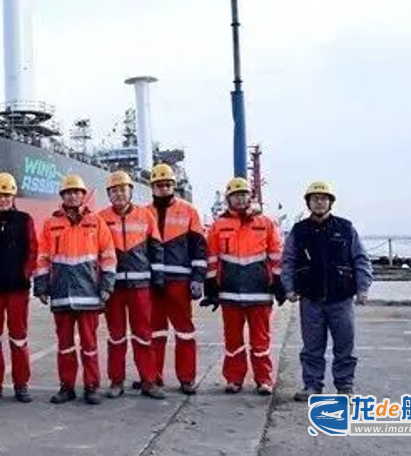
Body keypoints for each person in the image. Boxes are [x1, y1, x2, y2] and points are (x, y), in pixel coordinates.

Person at [283, 181, 373, 400]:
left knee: (344, 345)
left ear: (331, 202)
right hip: (310, 299)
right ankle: (312, 386)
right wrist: (289, 288)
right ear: (308, 203)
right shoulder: (299, 231)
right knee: (312, 347)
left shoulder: (345, 228)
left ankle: (345, 387)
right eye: (315, 199)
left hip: (341, 298)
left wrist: (363, 287)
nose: (319, 202)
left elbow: (360, 259)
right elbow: (288, 261)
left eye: (323, 198)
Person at [34, 174, 117, 405]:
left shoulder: (96, 222)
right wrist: (41, 285)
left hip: (89, 295)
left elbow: (108, 256)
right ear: (62, 196)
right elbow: (42, 257)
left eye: (76, 192)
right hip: (61, 294)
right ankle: (67, 387)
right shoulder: (51, 224)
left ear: (83, 195)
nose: (72, 196)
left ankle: (91, 386)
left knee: (89, 345)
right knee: (65, 346)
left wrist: (107, 286)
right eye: (68, 192)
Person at [205, 177, 284, 395]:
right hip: (229, 293)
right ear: (228, 199)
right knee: (233, 341)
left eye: (243, 194)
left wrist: (279, 283)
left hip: (260, 293)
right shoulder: (218, 226)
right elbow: (211, 257)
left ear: (250, 197)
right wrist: (210, 286)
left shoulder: (266, 223)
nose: (240, 199)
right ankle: (234, 379)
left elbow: (276, 255)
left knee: (261, 341)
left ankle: (263, 379)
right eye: (235, 195)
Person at [96, 170, 166, 399]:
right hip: (113, 287)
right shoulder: (100, 218)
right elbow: (96, 254)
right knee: (116, 336)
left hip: (140, 286)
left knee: (143, 335)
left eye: (122, 189)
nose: (119, 194)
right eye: (114, 190)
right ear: (108, 194)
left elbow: (156, 249)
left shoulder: (146, 216)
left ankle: (149, 381)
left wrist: (158, 278)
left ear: (131, 191)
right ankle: (116, 381)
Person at [144, 163, 207, 394]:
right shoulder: (143, 213)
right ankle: (153, 377)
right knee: (154, 332)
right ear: (152, 187)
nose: (164, 188)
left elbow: (199, 248)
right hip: (152, 282)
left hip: (180, 282)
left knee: (184, 331)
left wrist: (198, 278)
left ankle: (186, 378)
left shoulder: (189, 211)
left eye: (167, 184)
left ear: (174, 186)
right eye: (159, 185)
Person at [0, 172, 38, 404]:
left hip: (17, 290)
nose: (2, 199)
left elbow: (33, 250)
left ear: (13, 196)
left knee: (19, 339)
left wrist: (25, 275)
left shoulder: (25, 220)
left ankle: (21, 384)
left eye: (6, 195)